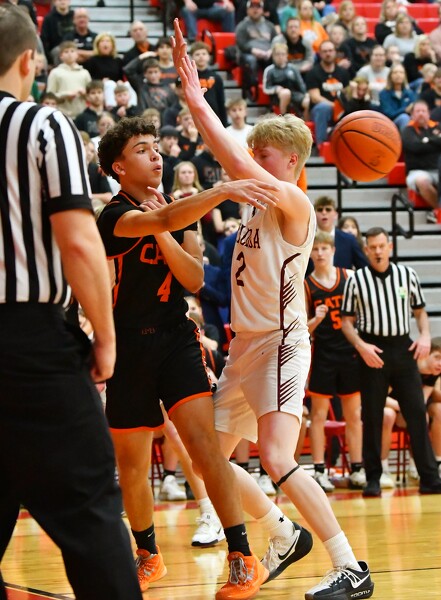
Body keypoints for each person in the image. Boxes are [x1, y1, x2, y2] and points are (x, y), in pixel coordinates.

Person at [172, 19, 374, 600]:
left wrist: (196, 99)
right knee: (205, 455)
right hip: (244, 348)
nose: (253, 162)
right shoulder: (255, 209)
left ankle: (350, 566)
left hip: (281, 344)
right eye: (254, 153)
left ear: (290, 162)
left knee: (279, 456)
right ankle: (282, 534)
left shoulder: (295, 204)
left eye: (264, 155)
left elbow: (234, 162)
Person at [96, 115, 279, 598]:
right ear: (119, 167)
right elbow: (158, 221)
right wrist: (220, 191)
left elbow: (194, 278)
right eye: (141, 149)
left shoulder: (178, 211)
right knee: (132, 463)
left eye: (156, 146)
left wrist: (166, 229)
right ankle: (148, 555)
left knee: (204, 447)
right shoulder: (112, 216)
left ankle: (242, 557)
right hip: (127, 345)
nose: (155, 155)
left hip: (176, 339)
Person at [0, 6, 142, 599]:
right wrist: (105, 338)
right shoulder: (41, 125)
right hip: (26, 342)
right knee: (89, 509)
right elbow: (80, 241)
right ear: (29, 61)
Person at [341, 226, 441, 498]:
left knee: (417, 413)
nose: (377, 251)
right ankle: (373, 478)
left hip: (402, 348)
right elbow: (346, 322)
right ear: (366, 250)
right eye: (372, 247)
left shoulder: (407, 275)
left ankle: (430, 478)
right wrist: (360, 346)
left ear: (390, 248)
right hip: (372, 349)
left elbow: (420, 312)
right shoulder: (356, 280)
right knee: (373, 416)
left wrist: (425, 335)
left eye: (381, 246)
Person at [305, 232, 365, 493]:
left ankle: (358, 468)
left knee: (354, 415)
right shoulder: (306, 285)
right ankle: (319, 470)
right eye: (315, 249)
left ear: (333, 250)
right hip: (323, 355)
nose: (320, 253)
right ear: (310, 253)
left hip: (349, 354)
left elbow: (364, 311)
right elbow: (302, 328)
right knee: (318, 415)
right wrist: (317, 319)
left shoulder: (349, 276)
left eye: (324, 248)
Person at [381, 337, 441, 485]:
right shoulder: (407, 367)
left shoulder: (434, 373)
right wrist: (404, 407)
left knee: (423, 415)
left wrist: (411, 409)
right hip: (389, 405)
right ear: (426, 354)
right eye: (437, 357)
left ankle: (421, 465)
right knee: (388, 415)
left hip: (406, 409)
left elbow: (422, 401)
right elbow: (379, 397)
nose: (440, 363)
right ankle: (383, 468)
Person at [401, 100, 441, 222]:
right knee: (422, 181)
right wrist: (434, 141)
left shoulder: (437, 126)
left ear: (429, 113)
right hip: (417, 171)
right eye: (417, 111)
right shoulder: (407, 131)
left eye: (423, 111)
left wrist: (426, 141)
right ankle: (438, 210)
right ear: (412, 115)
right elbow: (415, 147)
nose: (421, 114)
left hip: (437, 170)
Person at [305, 40, 351, 147]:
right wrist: (335, 106)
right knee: (323, 107)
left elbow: (347, 93)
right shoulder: (313, 73)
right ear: (320, 54)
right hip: (319, 111)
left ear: (335, 52)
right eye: (325, 51)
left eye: (330, 51)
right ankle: (321, 145)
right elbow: (315, 97)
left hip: (341, 109)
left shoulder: (343, 73)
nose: (328, 54)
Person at [235, 0, 277, 99]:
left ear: (262, 10)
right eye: (252, 7)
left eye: (258, 7)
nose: (255, 10)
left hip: (267, 53)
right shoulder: (242, 25)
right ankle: (251, 89)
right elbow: (241, 43)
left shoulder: (270, 25)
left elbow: (275, 40)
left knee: (278, 58)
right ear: (247, 10)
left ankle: (274, 90)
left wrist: (271, 51)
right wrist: (253, 50)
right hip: (249, 53)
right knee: (251, 60)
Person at [314, 196, 368, 269]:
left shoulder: (349, 240)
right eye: (320, 210)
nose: (324, 212)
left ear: (335, 215)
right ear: (314, 214)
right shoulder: (306, 238)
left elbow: (363, 268)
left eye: (328, 209)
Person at [262, 42, 310, 116]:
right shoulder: (269, 70)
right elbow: (266, 88)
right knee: (286, 93)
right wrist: (275, 89)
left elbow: (300, 84)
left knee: (308, 101)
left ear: (287, 55)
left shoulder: (293, 68)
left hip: (294, 94)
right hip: (278, 96)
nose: (280, 57)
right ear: (273, 56)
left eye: (283, 54)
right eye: (277, 54)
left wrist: (306, 94)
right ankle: (283, 117)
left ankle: (305, 121)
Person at [46, 41, 91, 118]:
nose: (70, 54)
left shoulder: (84, 73)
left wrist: (84, 94)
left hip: (81, 113)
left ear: (77, 54)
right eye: (66, 52)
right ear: (61, 56)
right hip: (62, 113)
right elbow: (50, 96)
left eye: (72, 51)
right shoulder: (55, 72)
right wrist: (65, 95)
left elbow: (90, 94)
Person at [189, 41, 228, 128]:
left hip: (213, 115)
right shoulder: (189, 77)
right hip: (195, 116)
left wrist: (224, 124)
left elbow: (221, 101)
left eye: (204, 54)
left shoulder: (216, 77)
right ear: (191, 57)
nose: (201, 56)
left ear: (209, 57)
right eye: (197, 54)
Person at [378, 63, 416, 131]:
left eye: (401, 72)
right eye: (395, 72)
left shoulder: (409, 93)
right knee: (404, 117)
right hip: (390, 124)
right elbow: (389, 113)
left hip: (409, 123)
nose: (398, 75)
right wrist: (405, 110)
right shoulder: (384, 93)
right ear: (390, 76)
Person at [40, 0, 74, 65]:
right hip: (56, 49)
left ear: (69, 1)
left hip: (74, 46)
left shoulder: (75, 15)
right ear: (55, 2)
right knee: (60, 51)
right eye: (59, 0)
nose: (62, 2)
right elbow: (44, 39)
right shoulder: (48, 18)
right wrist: (49, 59)